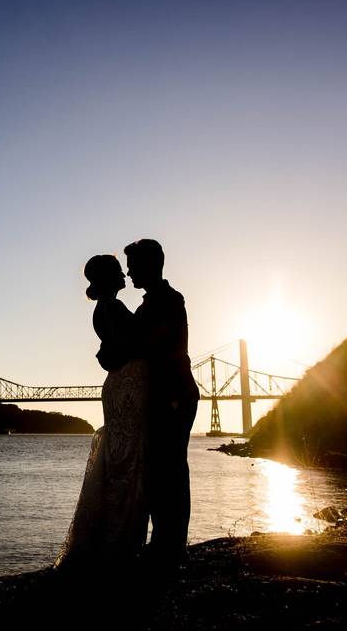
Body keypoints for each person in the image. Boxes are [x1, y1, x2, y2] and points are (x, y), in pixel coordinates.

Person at [54, 254, 150, 571]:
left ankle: (112, 540)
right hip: (128, 386)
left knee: (120, 461)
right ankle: (120, 544)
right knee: (129, 463)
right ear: (108, 278)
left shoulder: (102, 309)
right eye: (117, 270)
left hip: (118, 386)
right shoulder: (113, 308)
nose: (124, 273)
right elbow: (134, 345)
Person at [124, 238, 199, 567]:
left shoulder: (168, 300)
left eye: (133, 265)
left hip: (174, 396)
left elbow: (151, 347)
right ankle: (164, 541)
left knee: (170, 470)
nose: (128, 272)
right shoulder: (149, 304)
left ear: (149, 265)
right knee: (159, 469)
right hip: (164, 396)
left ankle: (171, 545)